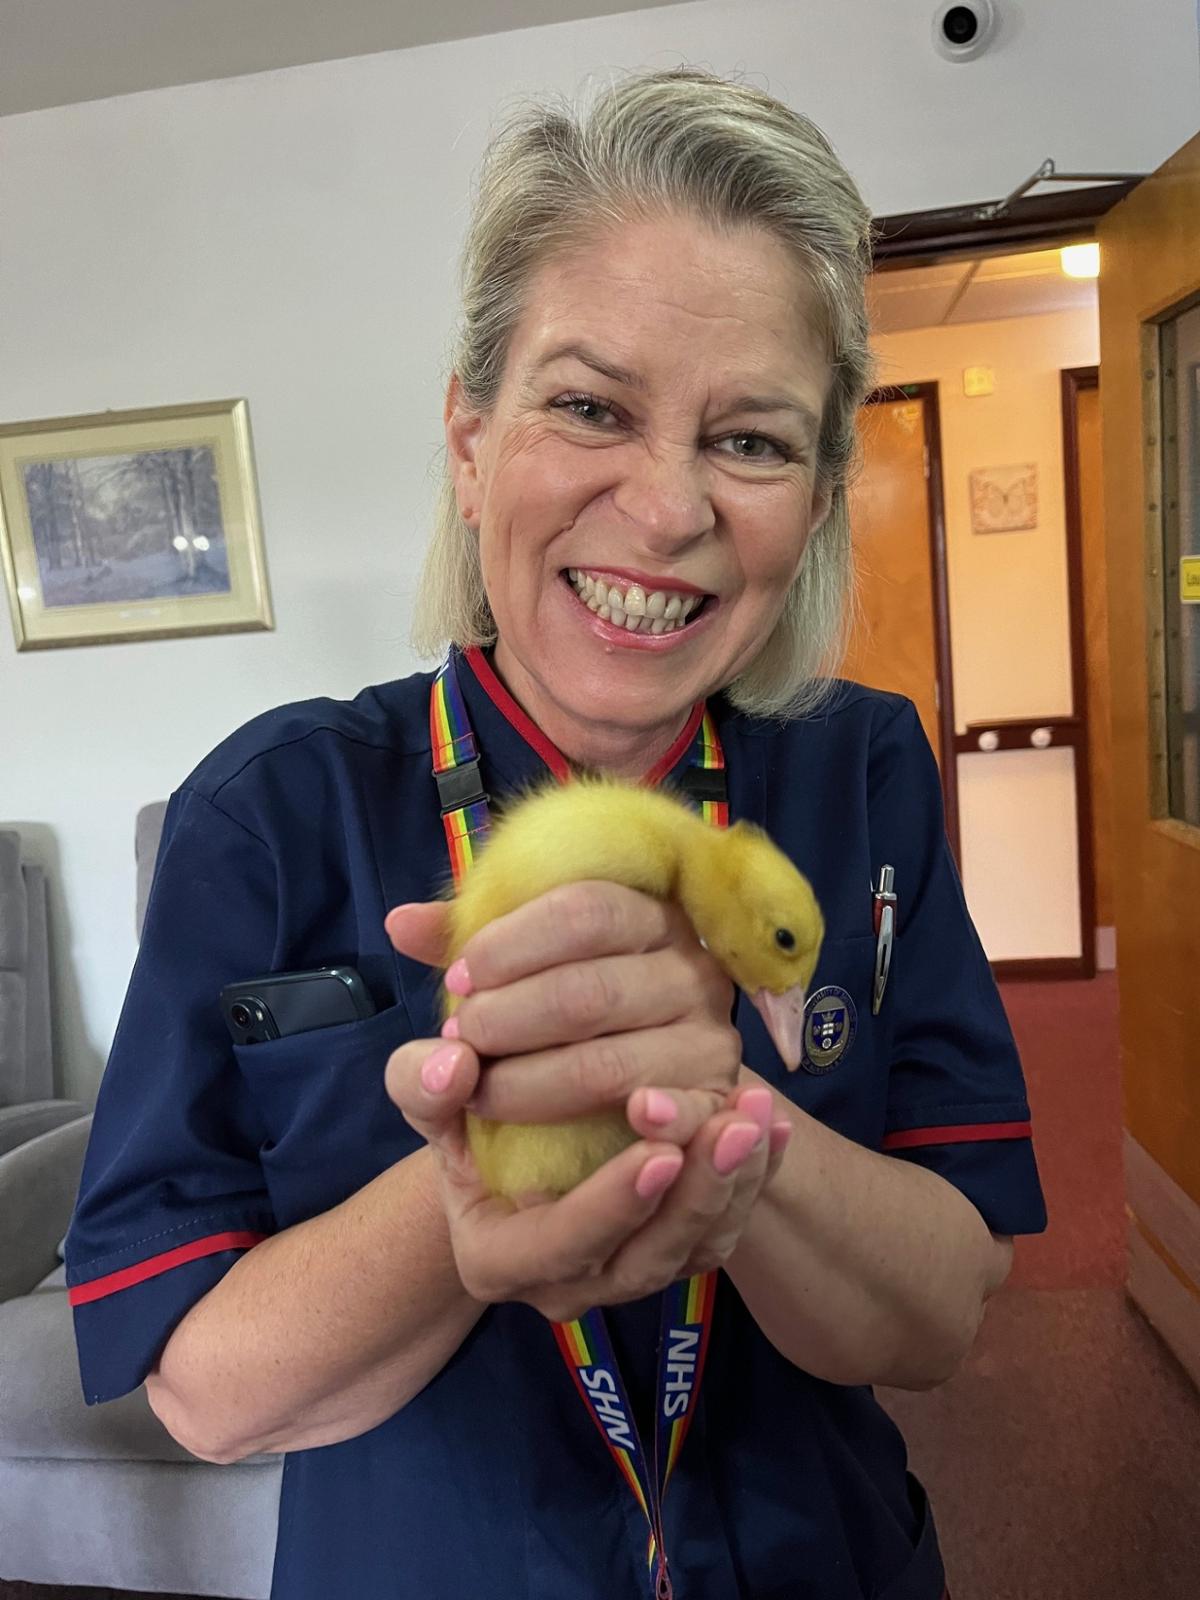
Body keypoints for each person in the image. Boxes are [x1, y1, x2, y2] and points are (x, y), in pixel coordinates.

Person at [66, 66, 1046, 1600]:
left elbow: (940, 1317)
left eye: (754, 441)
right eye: (589, 406)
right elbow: (198, 1386)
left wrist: (729, 1123)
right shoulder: (267, 814)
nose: (664, 512)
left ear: (820, 494)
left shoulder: (864, 775)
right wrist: (471, 1199)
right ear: (469, 439)